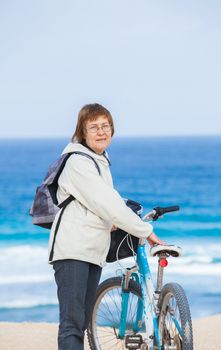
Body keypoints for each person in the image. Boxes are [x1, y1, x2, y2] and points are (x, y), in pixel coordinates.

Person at [49, 103, 164, 350]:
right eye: (94, 127)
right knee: (71, 324)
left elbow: (106, 201)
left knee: (79, 323)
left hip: (92, 251)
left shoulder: (99, 160)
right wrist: (145, 231)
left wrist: (120, 216)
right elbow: (107, 203)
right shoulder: (78, 162)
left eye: (105, 126)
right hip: (72, 250)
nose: (101, 132)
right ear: (82, 132)